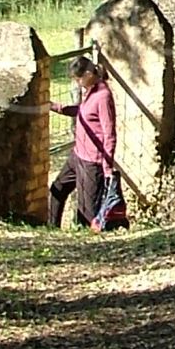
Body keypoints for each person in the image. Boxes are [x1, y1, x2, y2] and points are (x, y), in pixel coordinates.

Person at [48, 56, 118, 230]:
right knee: (57, 189)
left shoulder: (103, 95)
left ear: (88, 74)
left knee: (87, 211)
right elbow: (83, 112)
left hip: (92, 162)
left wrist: (107, 167)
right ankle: (51, 229)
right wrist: (55, 107)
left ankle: (87, 241)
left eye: (78, 79)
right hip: (78, 154)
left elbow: (109, 133)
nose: (78, 83)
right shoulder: (90, 91)